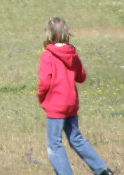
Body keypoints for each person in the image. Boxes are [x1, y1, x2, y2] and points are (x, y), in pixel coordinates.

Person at [38, 17, 114, 175]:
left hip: (56, 104)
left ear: (49, 33)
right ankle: (102, 169)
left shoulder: (47, 55)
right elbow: (81, 77)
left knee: (54, 144)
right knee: (76, 139)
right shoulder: (72, 53)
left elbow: (45, 81)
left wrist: (41, 97)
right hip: (71, 102)